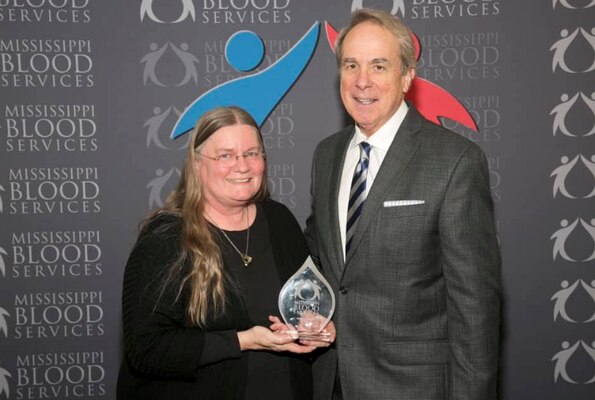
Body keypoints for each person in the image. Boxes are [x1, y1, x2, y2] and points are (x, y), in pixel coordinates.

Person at [305, 9, 502, 400]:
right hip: (333, 384)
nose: (362, 81)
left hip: (414, 389)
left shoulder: (454, 161)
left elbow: (474, 308)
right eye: (351, 65)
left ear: (407, 76)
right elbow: (328, 266)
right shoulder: (326, 156)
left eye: (379, 66)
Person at [117, 106, 335, 400]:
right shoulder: (166, 237)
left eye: (252, 153)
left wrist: (315, 325)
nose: (242, 166)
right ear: (197, 164)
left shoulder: (279, 220)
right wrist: (243, 340)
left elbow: (305, 299)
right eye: (225, 155)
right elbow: (147, 348)